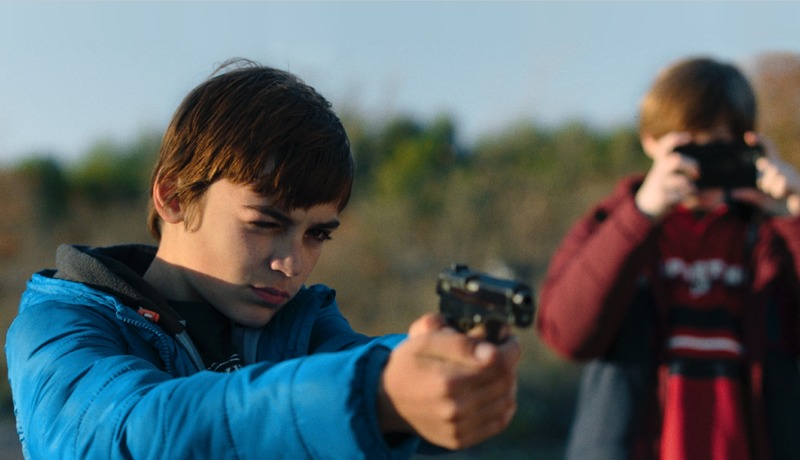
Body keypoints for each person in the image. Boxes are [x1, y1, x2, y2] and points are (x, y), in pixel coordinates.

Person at [5, 59, 521, 459]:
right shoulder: (58, 325)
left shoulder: (299, 322)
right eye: (265, 224)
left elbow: (361, 365)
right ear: (174, 196)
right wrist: (373, 394)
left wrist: (439, 369)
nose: (292, 265)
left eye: (316, 234)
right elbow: (128, 434)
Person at [535, 56, 800, 460]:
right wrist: (641, 216)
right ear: (651, 141)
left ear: (746, 145)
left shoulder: (769, 238)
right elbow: (566, 335)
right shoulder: (613, 225)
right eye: (688, 145)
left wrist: (796, 208)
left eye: (718, 146)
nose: (701, 164)